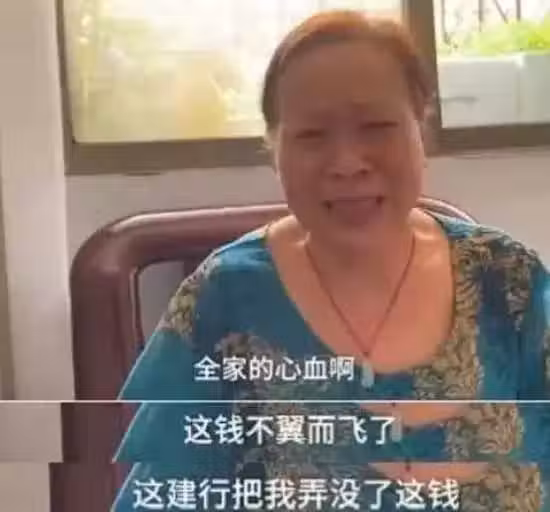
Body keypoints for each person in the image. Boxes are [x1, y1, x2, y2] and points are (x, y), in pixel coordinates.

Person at [111, 10, 550, 511]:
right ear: (273, 149)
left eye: (377, 127)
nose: (347, 164)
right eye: (312, 136)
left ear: (421, 128)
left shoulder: (507, 281)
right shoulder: (224, 301)